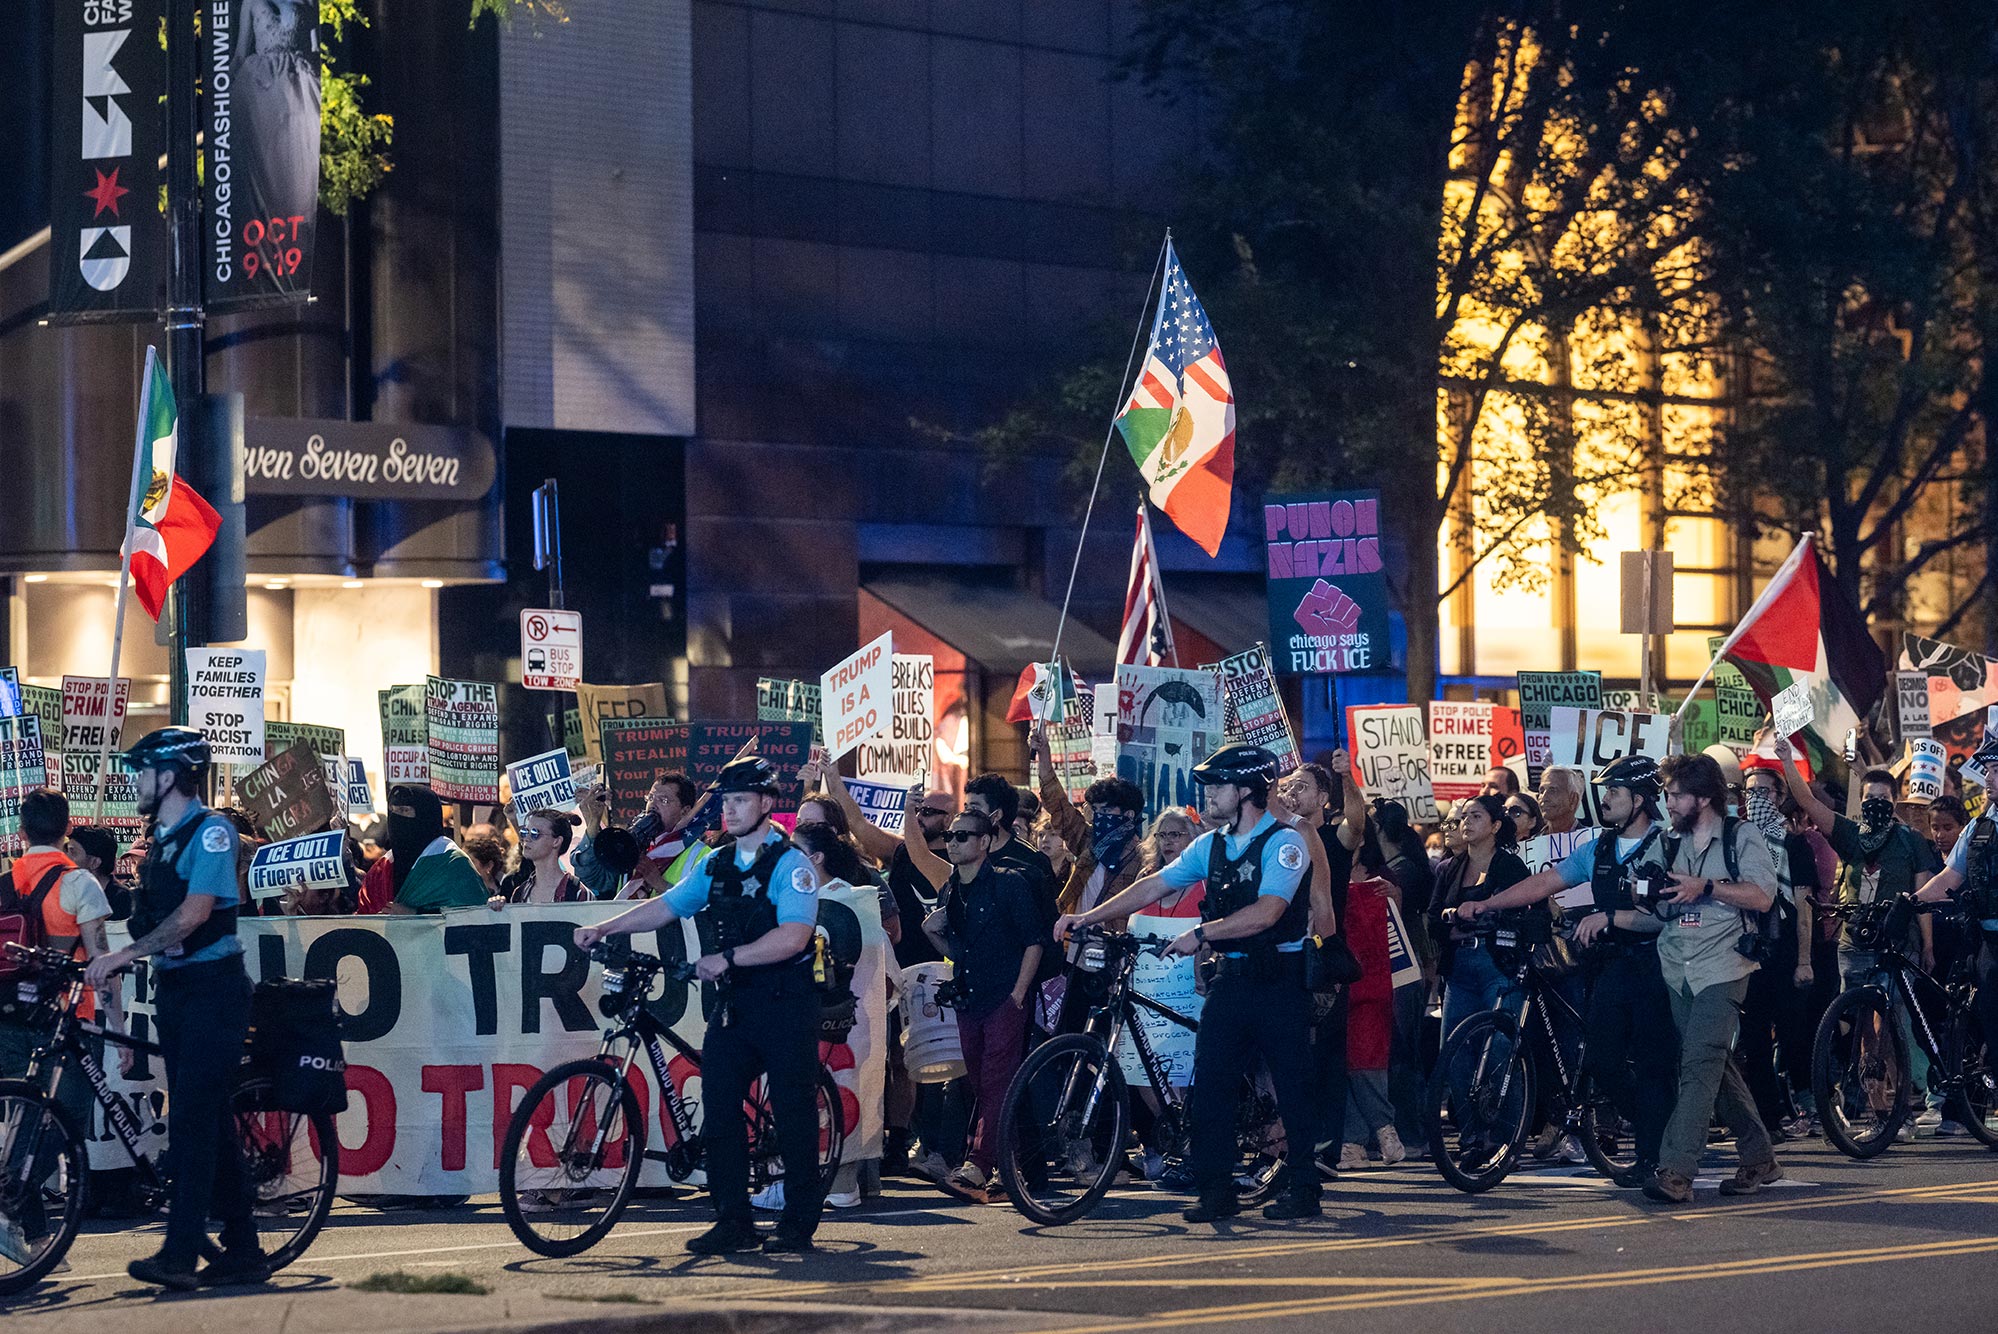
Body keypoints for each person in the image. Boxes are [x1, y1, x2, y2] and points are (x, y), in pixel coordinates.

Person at [1056, 743, 1324, 1224]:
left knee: (1292, 1083)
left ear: (1246, 791)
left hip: (1279, 979)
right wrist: (1087, 916)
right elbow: (1154, 885)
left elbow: (1269, 912)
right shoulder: (1212, 844)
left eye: (1217, 785)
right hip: (1231, 979)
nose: (1209, 794)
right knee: (1212, 1086)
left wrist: (1201, 933)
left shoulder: (1287, 843)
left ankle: (1304, 1185)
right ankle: (1216, 1191)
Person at [574, 756, 825, 1255]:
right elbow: (666, 906)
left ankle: (798, 1222)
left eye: (740, 800)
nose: (729, 810)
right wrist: (607, 927)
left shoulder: (791, 864)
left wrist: (728, 957)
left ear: (768, 804)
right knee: (721, 1111)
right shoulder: (717, 862)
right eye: (726, 801)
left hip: (785, 1004)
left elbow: (794, 937)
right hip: (735, 1005)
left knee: (794, 1112)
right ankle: (734, 1220)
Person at [82, 729, 265, 1290]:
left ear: (169, 777)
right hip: (177, 990)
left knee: (188, 1122)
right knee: (204, 1115)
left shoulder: (212, 832)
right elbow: (154, 916)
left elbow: (193, 914)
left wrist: (125, 954)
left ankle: (180, 1255)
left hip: (214, 988)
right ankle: (245, 1248)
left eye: (143, 772)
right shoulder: (159, 839)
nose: (136, 782)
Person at [1460, 757, 1675, 1186]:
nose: (1606, 798)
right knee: (1602, 1058)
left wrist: (1612, 918)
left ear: (1641, 799)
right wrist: (1489, 903)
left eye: (1615, 791)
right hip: (1610, 964)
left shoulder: (1667, 846)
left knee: (1655, 1063)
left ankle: (1656, 1153)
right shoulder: (1599, 848)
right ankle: (1661, 1129)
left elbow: (1668, 913)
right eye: (1606, 789)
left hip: (1659, 965)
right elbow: (1546, 882)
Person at [1773, 741, 1943, 1131]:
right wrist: (1786, 761)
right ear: (1861, 801)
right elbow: (1810, 803)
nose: (1876, 805)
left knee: (1890, 1027)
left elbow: (1921, 898)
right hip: (1854, 943)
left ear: (1895, 801)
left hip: (1897, 947)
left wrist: (1928, 945)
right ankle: (1883, 1113)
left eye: (1883, 798)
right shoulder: (1849, 834)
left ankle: (1900, 1107)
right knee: (1865, 1030)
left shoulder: (1910, 842)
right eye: (1869, 798)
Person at [1640, 752, 1781, 1203]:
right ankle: (1759, 1156)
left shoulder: (1742, 836)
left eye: (1676, 795)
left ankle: (1677, 1170)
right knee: (1714, 1065)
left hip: (1723, 965)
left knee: (1699, 1063)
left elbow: (1761, 897)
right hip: (1677, 965)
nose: (1669, 802)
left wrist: (1707, 887)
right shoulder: (1666, 841)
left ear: (1703, 797)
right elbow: (1648, 894)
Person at [909, 801, 1043, 1203]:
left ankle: (979, 1164)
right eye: (950, 836)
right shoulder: (952, 889)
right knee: (983, 1084)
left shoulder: (1009, 882)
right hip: (968, 997)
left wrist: (1019, 993)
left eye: (962, 835)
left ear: (985, 842)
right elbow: (960, 947)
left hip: (1004, 995)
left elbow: (1035, 941)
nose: (952, 842)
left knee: (997, 1080)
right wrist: (933, 934)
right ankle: (1009, 1168)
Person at [1428, 794, 1533, 1042]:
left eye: (1476, 817)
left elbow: (1529, 909)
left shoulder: (1511, 866)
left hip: (1499, 963)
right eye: (1464, 817)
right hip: (1458, 967)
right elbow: (1432, 919)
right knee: (1455, 1048)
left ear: (1495, 826)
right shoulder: (1449, 868)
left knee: (1500, 1045)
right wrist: (1452, 930)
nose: (1466, 823)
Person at [1913, 799, 1998, 1100]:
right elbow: (1950, 877)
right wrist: (1911, 901)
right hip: (1988, 939)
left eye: (1997, 770)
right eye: (1988, 771)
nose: (1990, 778)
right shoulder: (1978, 828)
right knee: (1989, 1018)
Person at [1333, 830, 1402, 1169]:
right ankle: (1353, 1143)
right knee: (1342, 1060)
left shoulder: (1381, 879)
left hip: (1374, 977)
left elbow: (1399, 924)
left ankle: (1383, 1128)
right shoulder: (1325, 868)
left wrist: (1394, 896)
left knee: (1366, 1055)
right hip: (1336, 976)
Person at [574, 773, 705, 899]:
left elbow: (703, 905)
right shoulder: (632, 845)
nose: (653, 805)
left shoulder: (699, 854)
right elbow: (593, 879)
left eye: (663, 800)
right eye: (651, 798)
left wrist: (660, 884)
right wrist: (593, 823)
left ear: (685, 811)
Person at [373, 786, 489, 913]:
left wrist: (416, 914)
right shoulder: (382, 869)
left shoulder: (452, 863)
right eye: (392, 811)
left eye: (404, 810)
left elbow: (472, 914)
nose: (396, 817)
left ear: (425, 814)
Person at [495, 810, 589, 904]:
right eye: (524, 832)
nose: (526, 839)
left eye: (535, 834)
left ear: (556, 841)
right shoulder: (520, 893)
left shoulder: (578, 892)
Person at [65, 825, 131, 921]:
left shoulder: (122, 901)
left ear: (95, 862)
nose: (65, 858)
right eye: (66, 851)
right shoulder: (67, 894)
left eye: (73, 852)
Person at [461, 823, 509, 897]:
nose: (463, 867)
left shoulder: (508, 889)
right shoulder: (461, 891)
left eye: (470, 862)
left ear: (489, 866)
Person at [1538, 768, 1584, 836]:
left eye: (1552, 791)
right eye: (1541, 791)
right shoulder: (1533, 843)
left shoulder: (1592, 841)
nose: (1544, 798)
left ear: (1573, 799)